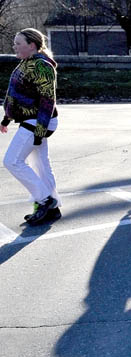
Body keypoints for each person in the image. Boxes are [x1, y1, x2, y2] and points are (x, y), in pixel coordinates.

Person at [2, 28, 61, 225]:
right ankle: (53, 208)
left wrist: (40, 131)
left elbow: (47, 100)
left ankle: (45, 200)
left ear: (32, 45)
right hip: (33, 120)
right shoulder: (27, 63)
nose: (14, 46)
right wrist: (7, 118)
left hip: (38, 121)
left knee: (12, 161)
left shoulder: (42, 66)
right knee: (41, 165)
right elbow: (15, 95)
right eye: (15, 43)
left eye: (18, 43)